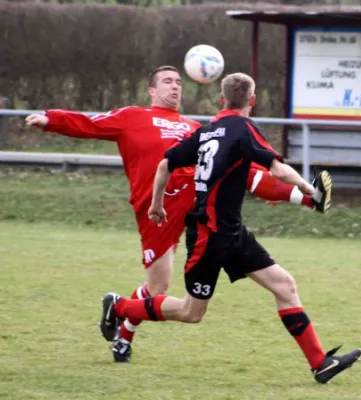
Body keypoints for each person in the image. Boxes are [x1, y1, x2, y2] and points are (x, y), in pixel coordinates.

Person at [24, 66, 331, 363]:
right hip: (158, 208)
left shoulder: (196, 128)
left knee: (242, 173)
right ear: (152, 90)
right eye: (168, 81)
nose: (175, 86)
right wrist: (51, 119)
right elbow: (91, 124)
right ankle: (124, 321)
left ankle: (123, 332)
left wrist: (299, 194)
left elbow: (250, 172)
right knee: (158, 288)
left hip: (198, 207)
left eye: (178, 82)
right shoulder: (133, 117)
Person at [99, 72, 361, 384]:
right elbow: (275, 168)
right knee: (190, 313)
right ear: (252, 100)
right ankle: (121, 305)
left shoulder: (207, 131)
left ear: (222, 100)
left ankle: (321, 363)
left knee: (284, 286)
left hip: (231, 232)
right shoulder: (243, 127)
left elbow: (165, 164)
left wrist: (156, 204)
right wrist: (309, 189)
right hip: (208, 236)